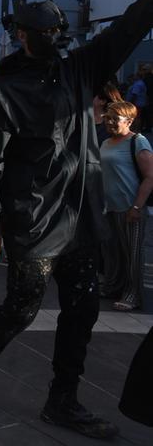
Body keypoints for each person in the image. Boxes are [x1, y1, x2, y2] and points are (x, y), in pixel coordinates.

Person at [0, 0, 153, 440]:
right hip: (35, 218)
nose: (51, 38)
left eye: (55, 32)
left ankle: (63, 399)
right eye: (42, 32)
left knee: (82, 310)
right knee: (21, 308)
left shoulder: (81, 68)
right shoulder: (3, 88)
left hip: (81, 217)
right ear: (21, 35)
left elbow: (128, 28)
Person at [99, 102, 153, 311]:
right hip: (108, 208)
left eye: (115, 119)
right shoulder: (105, 143)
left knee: (133, 253)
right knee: (111, 251)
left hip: (130, 208)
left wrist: (137, 207)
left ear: (129, 121)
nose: (109, 122)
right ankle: (113, 286)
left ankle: (133, 294)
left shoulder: (138, 142)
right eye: (107, 118)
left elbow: (150, 177)